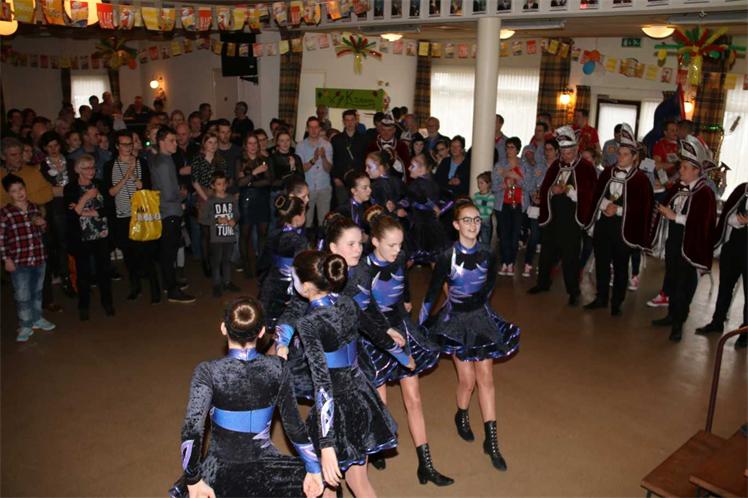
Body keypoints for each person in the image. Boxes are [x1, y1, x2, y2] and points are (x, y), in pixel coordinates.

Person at [174, 297, 323, 498]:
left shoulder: (208, 372)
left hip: (220, 470)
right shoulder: (278, 367)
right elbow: (294, 425)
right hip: (266, 468)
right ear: (261, 332)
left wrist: (193, 480)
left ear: (223, 328)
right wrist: (313, 467)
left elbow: (191, 430)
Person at [282, 250, 400, 497]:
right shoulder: (347, 303)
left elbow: (322, 382)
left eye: (294, 278)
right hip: (361, 396)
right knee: (358, 482)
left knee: (325, 485)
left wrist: (326, 445)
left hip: (334, 408)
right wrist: (403, 357)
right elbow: (376, 333)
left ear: (306, 287)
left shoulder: (309, 323)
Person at [419, 201, 520, 471]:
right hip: (455, 321)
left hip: (480, 318)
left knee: (486, 378)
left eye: (476, 220)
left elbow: (489, 287)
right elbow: (431, 294)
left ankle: (492, 441)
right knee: (467, 381)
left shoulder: (489, 253)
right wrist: (420, 329)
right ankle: (461, 414)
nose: (473, 225)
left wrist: (479, 307)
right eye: (466, 220)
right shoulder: (446, 256)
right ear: (456, 225)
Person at [360, 213, 452, 485]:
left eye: (400, 244)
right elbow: (367, 314)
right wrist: (392, 342)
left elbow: (400, 294)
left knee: (414, 399)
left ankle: (426, 465)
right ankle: (376, 450)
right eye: (391, 245)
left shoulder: (399, 259)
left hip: (400, 330)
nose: (397, 250)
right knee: (380, 403)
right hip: (374, 337)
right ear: (375, 241)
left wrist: (409, 325)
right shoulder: (363, 270)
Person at [650, 136, 717, 342]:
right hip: (674, 241)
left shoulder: (705, 193)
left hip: (690, 246)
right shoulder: (679, 187)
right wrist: (664, 212)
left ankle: (678, 325)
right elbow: (669, 204)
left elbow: (702, 223)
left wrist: (674, 216)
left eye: (686, 168)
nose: (681, 170)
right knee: (671, 280)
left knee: (682, 286)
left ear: (697, 170)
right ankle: (671, 315)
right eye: (681, 166)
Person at [584, 124, 654, 316]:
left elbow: (643, 208)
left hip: (624, 228)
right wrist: (605, 205)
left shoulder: (640, 180)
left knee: (621, 266)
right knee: (602, 263)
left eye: (625, 155)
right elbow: (596, 195)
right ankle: (601, 297)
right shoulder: (607, 172)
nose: (620, 157)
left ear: (634, 157)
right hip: (604, 224)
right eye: (619, 154)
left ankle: (617, 302)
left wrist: (619, 209)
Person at [528, 126, 597, 305]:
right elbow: (546, 187)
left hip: (572, 220)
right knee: (546, 253)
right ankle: (543, 283)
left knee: (570, 257)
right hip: (553, 217)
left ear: (576, 149)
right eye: (563, 152)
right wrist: (551, 190)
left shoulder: (586, 168)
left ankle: (573, 291)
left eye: (569, 152)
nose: (565, 156)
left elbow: (590, 195)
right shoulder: (556, 166)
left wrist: (568, 191)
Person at [105, 130, 159, 302]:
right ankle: (135, 287)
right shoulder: (109, 166)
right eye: (124, 144)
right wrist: (125, 177)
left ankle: (155, 290)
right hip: (122, 217)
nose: (128, 147)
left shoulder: (141, 162)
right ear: (117, 146)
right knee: (129, 255)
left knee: (146, 253)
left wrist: (135, 178)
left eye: (130, 143)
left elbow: (147, 187)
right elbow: (110, 192)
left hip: (141, 215)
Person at [0, 174, 56, 342]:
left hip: (38, 257)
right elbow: (1, 238)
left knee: (37, 291)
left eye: (21, 189)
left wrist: (43, 224)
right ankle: (25, 324)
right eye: (14, 191)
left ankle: (37, 318)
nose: (19, 193)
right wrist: (6, 259)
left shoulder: (34, 208)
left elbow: (41, 231)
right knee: (22, 294)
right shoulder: (5, 213)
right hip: (19, 261)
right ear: (9, 193)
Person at [696, 182, 747, 349]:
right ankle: (717, 321)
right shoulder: (743, 190)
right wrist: (739, 221)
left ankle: (745, 332)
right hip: (734, 247)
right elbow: (728, 217)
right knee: (724, 287)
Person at [64, 154, 115, 321]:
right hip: (81, 237)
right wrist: (86, 197)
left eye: (92, 167)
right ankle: (83, 305)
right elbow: (72, 214)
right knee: (83, 274)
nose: (91, 171)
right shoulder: (70, 188)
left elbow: (109, 209)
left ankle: (107, 303)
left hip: (101, 234)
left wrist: (86, 212)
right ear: (77, 170)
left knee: (104, 271)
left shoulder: (100, 184)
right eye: (86, 168)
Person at [150, 126, 196, 304]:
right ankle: (172, 290)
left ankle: (169, 284)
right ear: (161, 142)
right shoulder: (163, 162)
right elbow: (168, 193)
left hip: (166, 210)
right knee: (169, 253)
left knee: (167, 252)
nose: (176, 143)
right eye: (171, 140)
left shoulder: (161, 159)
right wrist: (182, 194)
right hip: (169, 211)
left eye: (175, 140)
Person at [258, 195, 308, 326]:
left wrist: (263, 280)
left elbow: (264, 261)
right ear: (297, 218)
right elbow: (302, 268)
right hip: (289, 286)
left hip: (271, 282)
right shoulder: (299, 240)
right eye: (304, 213)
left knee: (270, 319)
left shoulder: (273, 233)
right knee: (289, 321)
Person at [39, 131, 75, 297]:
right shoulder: (42, 167)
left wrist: (61, 191)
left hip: (73, 206)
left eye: (56, 145)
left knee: (75, 242)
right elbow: (47, 190)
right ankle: (65, 278)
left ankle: (78, 277)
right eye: (49, 146)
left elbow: (75, 186)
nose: (53, 149)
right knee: (62, 244)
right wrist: (61, 191)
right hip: (55, 209)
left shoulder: (70, 162)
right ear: (44, 148)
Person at [236, 133, 273, 277]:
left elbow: (268, 181)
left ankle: (261, 265)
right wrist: (255, 172)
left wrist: (249, 181)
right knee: (245, 235)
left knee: (263, 233)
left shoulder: (264, 160)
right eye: (250, 143)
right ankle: (246, 265)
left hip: (262, 199)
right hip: (246, 200)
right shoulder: (240, 160)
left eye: (255, 143)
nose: (253, 146)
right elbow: (239, 183)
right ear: (245, 146)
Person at [403, 153, 449, 265]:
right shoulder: (433, 181)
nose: (409, 168)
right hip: (432, 225)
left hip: (419, 225)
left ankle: (398, 275)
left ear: (422, 169)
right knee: (433, 256)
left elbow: (418, 198)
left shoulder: (415, 185)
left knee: (412, 255)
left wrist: (433, 206)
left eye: (412, 166)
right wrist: (439, 208)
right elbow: (447, 198)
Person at [201, 171, 241, 297]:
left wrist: (234, 220)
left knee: (227, 260)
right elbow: (202, 219)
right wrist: (216, 220)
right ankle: (217, 284)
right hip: (216, 237)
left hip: (229, 235)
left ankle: (227, 282)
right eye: (219, 184)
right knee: (216, 261)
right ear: (213, 185)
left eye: (224, 183)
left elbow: (237, 214)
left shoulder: (231, 198)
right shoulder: (210, 201)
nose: (222, 186)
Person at [493, 137, 525, 276]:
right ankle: (505, 262)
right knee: (504, 234)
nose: (509, 150)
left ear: (517, 149)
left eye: (512, 147)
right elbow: (494, 186)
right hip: (503, 204)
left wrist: (517, 178)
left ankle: (511, 262)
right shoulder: (500, 165)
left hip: (518, 204)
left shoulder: (524, 165)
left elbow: (530, 185)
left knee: (515, 235)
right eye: (507, 147)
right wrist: (504, 183)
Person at [521, 136, 552, 278]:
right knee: (534, 236)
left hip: (551, 207)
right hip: (537, 205)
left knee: (547, 238)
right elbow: (531, 183)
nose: (547, 152)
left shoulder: (560, 167)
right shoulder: (539, 166)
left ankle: (544, 265)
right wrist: (533, 194)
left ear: (556, 151)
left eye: (550, 150)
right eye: (546, 149)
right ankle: (528, 263)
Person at [297, 117, 333, 236]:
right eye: (311, 127)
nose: (313, 130)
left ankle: (321, 244)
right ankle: (306, 245)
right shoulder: (300, 146)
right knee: (306, 222)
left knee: (324, 222)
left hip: (324, 188)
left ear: (320, 129)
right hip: (307, 190)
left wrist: (323, 157)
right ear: (307, 129)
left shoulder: (327, 145)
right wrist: (314, 159)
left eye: (316, 127)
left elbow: (329, 169)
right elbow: (300, 169)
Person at [331, 109, 368, 206]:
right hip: (341, 180)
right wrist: (335, 177)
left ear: (356, 121)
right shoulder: (336, 139)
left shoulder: (364, 139)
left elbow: (365, 159)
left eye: (352, 120)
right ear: (343, 122)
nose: (350, 123)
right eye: (347, 120)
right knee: (343, 207)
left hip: (359, 180)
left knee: (359, 207)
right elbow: (333, 160)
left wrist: (364, 177)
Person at [366, 151, 403, 216]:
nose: (366, 170)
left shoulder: (375, 186)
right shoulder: (397, 180)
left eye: (369, 167)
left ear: (381, 167)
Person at [652, 120, 680, 201]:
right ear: (665, 132)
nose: (675, 133)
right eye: (672, 130)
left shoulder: (681, 145)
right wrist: (676, 165)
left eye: (676, 130)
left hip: (681, 181)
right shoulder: (659, 145)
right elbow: (657, 166)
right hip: (667, 182)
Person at [472, 172, 495, 251]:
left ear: (488, 184)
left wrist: (477, 209)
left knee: (485, 241)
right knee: (474, 240)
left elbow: (489, 211)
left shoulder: (490, 196)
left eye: (481, 183)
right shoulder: (476, 196)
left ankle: (485, 255)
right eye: (478, 183)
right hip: (476, 221)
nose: (479, 185)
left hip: (485, 221)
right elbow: (473, 208)